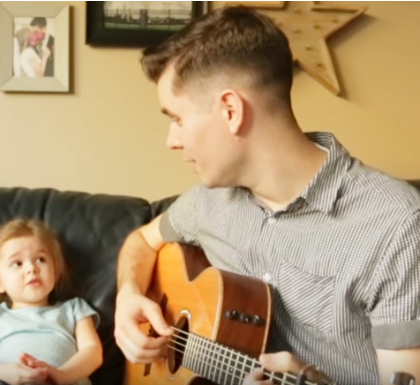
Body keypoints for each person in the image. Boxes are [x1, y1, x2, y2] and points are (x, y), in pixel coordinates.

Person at [114, 5, 420, 385]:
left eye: (176, 119)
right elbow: (142, 240)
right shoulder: (209, 201)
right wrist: (127, 296)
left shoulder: (397, 226)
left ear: (230, 110)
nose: (171, 141)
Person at [0, 219, 103, 385]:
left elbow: (93, 352)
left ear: (55, 272)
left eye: (41, 260)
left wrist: (62, 375)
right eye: (17, 263)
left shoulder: (75, 308)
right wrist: (8, 373)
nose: (31, 268)